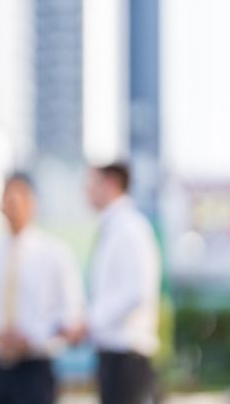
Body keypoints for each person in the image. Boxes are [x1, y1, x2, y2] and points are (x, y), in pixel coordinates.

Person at [0, 173, 85, 404]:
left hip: (35, 370)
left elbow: (70, 311)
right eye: (7, 197)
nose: (12, 204)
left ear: (33, 202)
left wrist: (32, 337)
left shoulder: (55, 255)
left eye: (19, 196)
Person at [85, 163, 161, 404]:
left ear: (111, 183)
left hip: (127, 357)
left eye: (92, 183)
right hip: (113, 355)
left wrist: (92, 321)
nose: (86, 191)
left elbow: (138, 291)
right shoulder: (113, 228)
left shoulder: (131, 228)